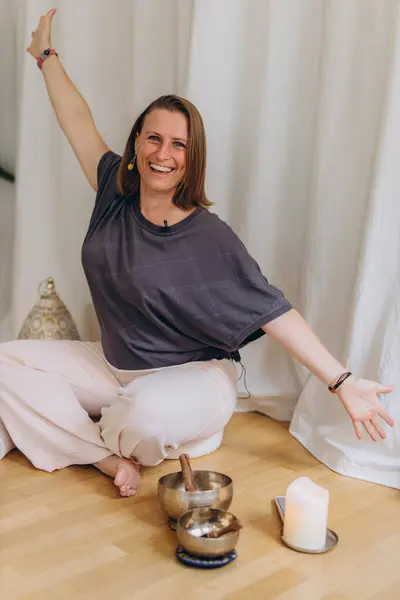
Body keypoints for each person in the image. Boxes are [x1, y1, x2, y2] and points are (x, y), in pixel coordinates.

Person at [0, 9, 394, 497]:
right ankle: (105, 456)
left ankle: (151, 431)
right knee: (6, 363)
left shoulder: (209, 236)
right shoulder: (112, 192)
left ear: (191, 160)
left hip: (192, 378)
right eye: (154, 138)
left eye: (179, 145)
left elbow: (276, 312)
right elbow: (77, 118)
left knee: (144, 409)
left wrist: (343, 382)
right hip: (114, 364)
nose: (163, 152)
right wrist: (45, 54)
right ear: (136, 145)